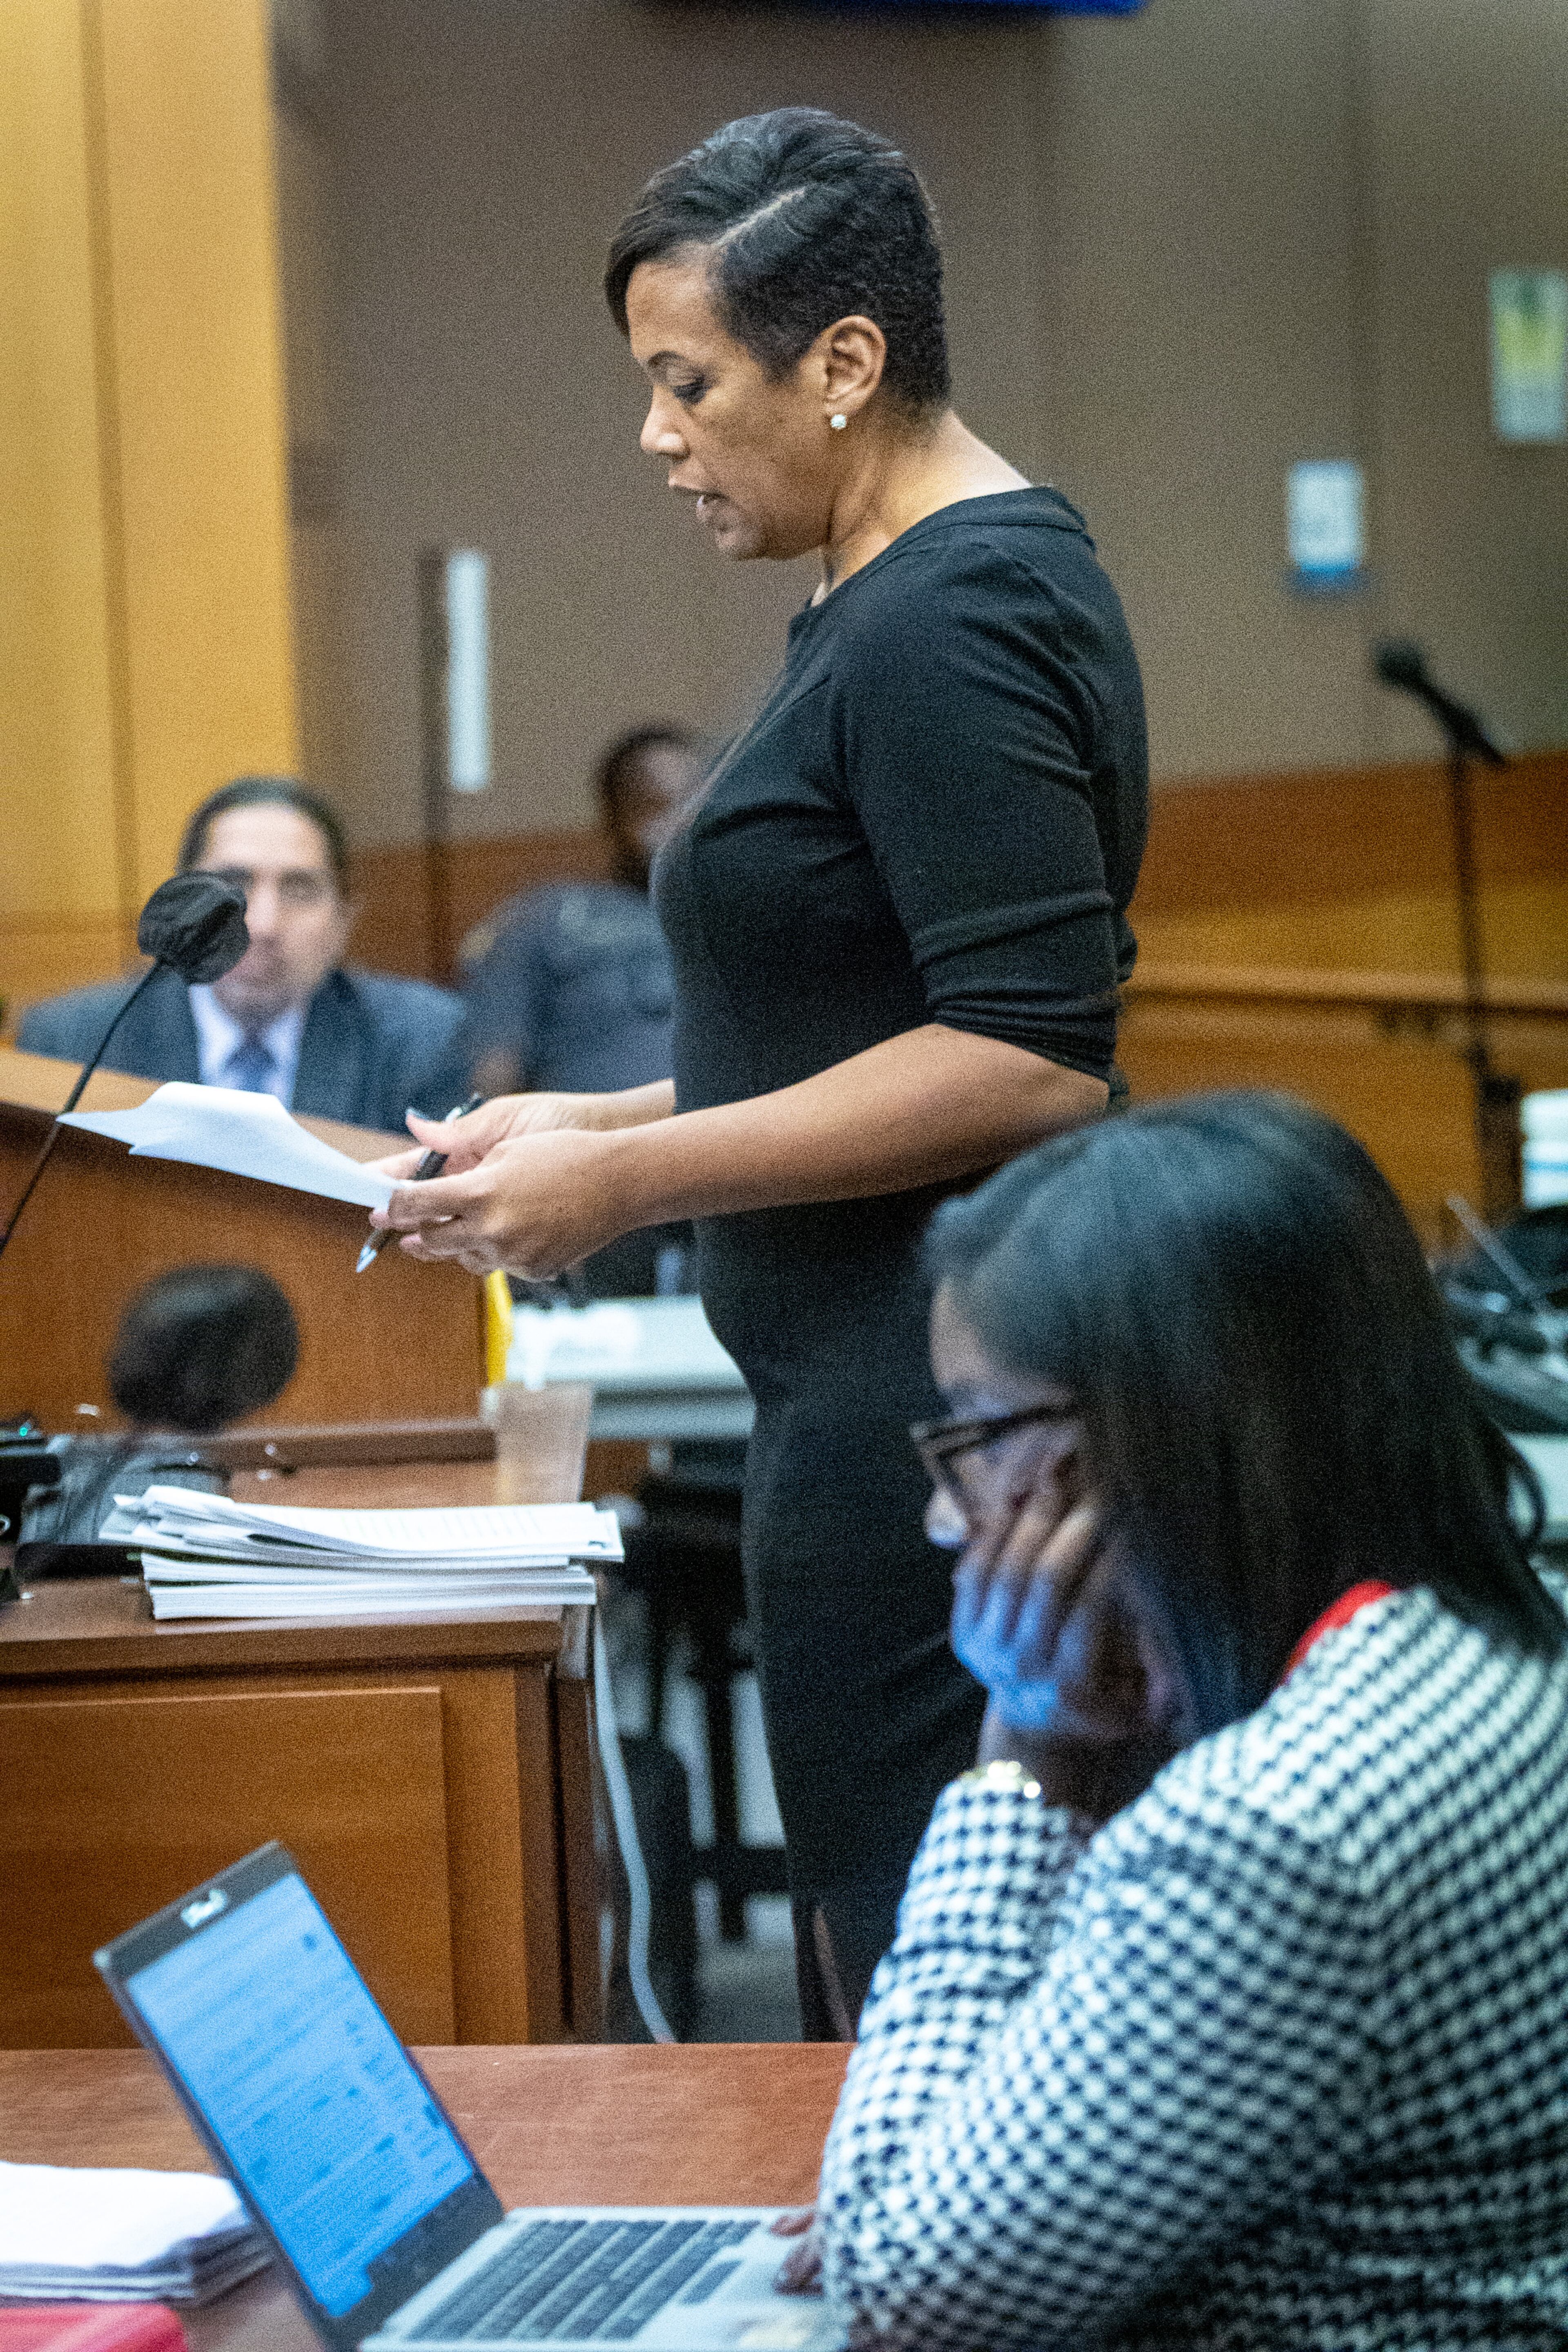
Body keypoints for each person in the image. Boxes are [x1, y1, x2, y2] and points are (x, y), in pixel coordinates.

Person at [371, 108, 1149, 2036]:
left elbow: (1029, 1056)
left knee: (915, 1985)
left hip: (935, 1421)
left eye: (684, 380)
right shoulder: (883, 600)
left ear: (846, 362)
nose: (657, 435)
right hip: (869, 1396)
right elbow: (856, 1019)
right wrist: (594, 1117)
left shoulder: (953, 618)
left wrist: (636, 1185)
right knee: (869, 1963)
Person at [808, 1092, 1568, 2350]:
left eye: (980, 1436)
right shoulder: (1488, 1650)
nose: (950, 1519)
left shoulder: (1274, 1831)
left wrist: (1024, 1761)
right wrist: (993, 2175)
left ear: (1159, 1428)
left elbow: (906, 2292)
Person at [19, 777, 468, 1134]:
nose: (262, 925)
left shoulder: (427, 1040)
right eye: (231, 883)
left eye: (300, 889)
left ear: (344, 920)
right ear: (182, 902)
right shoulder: (69, 1044)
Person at [459, 725, 703, 1296]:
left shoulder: (751, 924)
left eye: (697, 801)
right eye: (654, 808)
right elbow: (493, 1072)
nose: (680, 823)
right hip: (588, 1187)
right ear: (613, 822)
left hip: (730, 1173)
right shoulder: (549, 917)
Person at [21, 1264, 299, 1547]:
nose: (114, 1359)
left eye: (143, 1344)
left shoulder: (164, 1486)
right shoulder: (84, 1449)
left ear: (198, 1370)